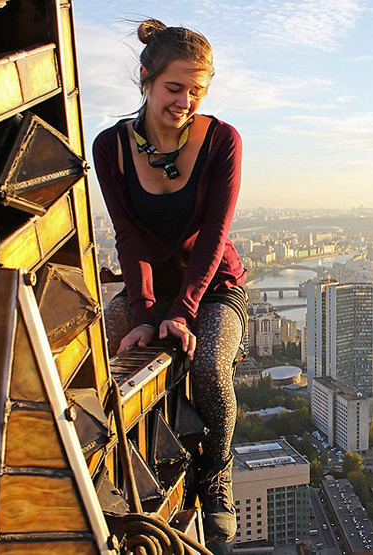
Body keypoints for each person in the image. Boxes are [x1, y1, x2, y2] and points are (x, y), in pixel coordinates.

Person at [92, 19, 246, 543]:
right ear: (145, 79)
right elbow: (128, 237)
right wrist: (143, 314)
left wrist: (181, 310)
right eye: (174, 88)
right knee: (91, 357)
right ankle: (97, 479)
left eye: (196, 91)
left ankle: (217, 473)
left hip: (214, 284)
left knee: (207, 365)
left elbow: (213, 236)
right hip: (150, 289)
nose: (185, 102)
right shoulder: (110, 147)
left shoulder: (222, 140)